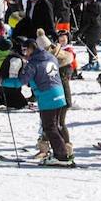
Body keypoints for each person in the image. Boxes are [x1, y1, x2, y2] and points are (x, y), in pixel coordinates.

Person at [18, 36, 75, 166]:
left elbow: (24, 79)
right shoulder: (51, 57)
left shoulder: (36, 62)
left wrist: (6, 81)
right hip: (59, 95)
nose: (24, 53)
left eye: (25, 50)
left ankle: (61, 155)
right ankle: (63, 152)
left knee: (50, 127)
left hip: (49, 97)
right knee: (56, 126)